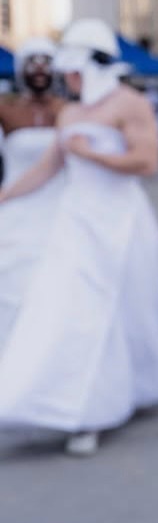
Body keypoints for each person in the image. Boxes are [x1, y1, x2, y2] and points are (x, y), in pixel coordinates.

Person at [0, 18, 158, 457]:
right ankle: (72, 407)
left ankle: (109, 400)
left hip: (122, 222)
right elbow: (49, 167)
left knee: (122, 312)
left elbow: (147, 162)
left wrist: (94, 154)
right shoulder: (70, 112)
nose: (66, 77)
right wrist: (6, 194)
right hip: (75, 223)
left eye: (72, 69)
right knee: (70, 311)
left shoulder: (128, 103)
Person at [0, 39, 67, 346]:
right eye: (32, 64)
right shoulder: (7, 108)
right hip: (15, 205)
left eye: (46, 64)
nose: (39, 71)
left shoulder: (69, 110)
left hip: (61, 206)